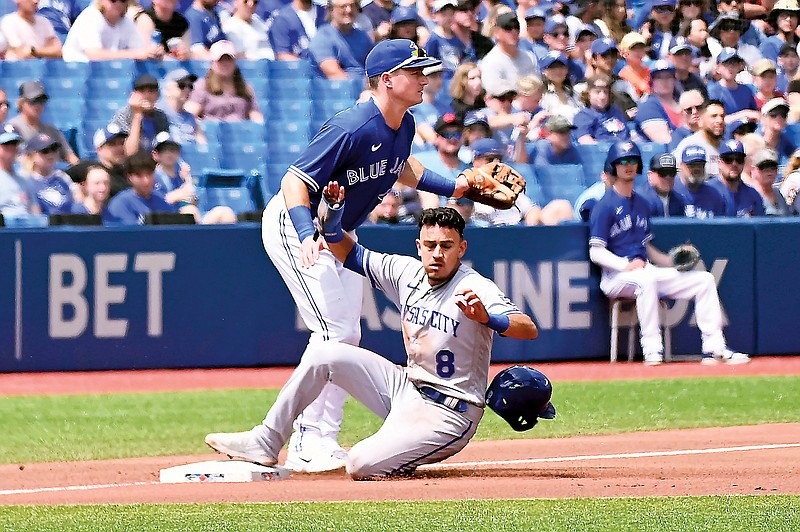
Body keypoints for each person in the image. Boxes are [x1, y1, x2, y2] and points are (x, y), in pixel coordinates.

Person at [207, 197, 540, 479]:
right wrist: (333, 217)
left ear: (461, 248)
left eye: (446, 246)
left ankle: (402, 448)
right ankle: (267, 440)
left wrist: (488, 318)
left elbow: (526, 326)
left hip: (451, 413)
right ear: (419, 246)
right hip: (405, 390)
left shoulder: (475, 286)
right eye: (430, 245)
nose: (437, 253)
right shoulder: (407, 272)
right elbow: (349, 253)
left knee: (360, 464)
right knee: (327, 352)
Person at [589, 140, 750, 366]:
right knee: (646, 280)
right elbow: (596, 251)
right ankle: (652, 349)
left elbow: (646, 248)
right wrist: (624, 265)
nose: (628, 165)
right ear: (613, 166)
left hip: (644, 271)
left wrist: (671, 262)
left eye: (633, 161)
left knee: (704, 279)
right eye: (622, 161)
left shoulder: (642, 203)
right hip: (615, 277)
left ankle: (715, 348)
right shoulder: (604, 206)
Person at [185, 40, 264, 123]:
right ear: (212, 63)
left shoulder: (246, 87)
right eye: (220, 60)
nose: (225, 64)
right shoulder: (203, 86)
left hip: (239, 133)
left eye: (229, 59)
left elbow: (255, 114)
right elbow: (190, 113)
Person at [468, 138, 540, 226]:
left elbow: (532, 210)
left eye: (499, 158)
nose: (497, 163)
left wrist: (530, 228)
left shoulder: (508, 186)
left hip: (516, 233)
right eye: (490, 159)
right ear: (475, 161)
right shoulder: (467, 189)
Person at [62, 0, 163, 62]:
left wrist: (153, 52)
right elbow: (94, 54)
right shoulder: (90, 17)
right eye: (113, 0)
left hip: (107, 72)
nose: (118, 4)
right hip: (78, 72)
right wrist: (136, 54)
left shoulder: (126, 21)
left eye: (123, 0)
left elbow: (140, 49)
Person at [404, 112, 468, 208]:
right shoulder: (418, 161)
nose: (453, 139)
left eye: (457, 134)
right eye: (447, 134)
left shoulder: (469, 169)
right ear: (437, 138)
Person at [8, 81, 78, 165]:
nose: (38, 105)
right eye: (33, 101)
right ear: (22, 103)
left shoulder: (51, 130)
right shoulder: (13, 128)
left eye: (41, 101)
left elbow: (71, 157)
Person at [107, 150, 179, 225]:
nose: (146, 181)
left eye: (149, 174)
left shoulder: (161, 199)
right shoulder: (120, 203)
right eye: (139, 176)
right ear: (129, 177)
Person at [308, 0, 373, 80]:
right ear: (331, 10)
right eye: (343, 6)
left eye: (352, 6)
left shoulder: (362, 36)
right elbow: (336, 76)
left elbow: (374, 67)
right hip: (338, 90)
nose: (349, 10)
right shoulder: (322, 39)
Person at [479, 12, 538, 98]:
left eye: (516, 27)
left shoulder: (529, 57)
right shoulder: (491, 62)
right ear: (496, 33)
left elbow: (537, 88)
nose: (513, 31)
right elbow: (495, 96)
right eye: (508, 28)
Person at [110, 75, 172, 157]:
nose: (147, 95)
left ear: (157, 95)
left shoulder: (160, 117)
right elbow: (130, 153)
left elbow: (165, 150)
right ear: (133, 95)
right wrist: (137, 114)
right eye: (142, 91)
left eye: (151, 91)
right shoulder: (124, 115)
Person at [707, 139, 765, 217]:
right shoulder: (708, 191)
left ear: (744, 162)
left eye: (739, 160)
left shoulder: (752, 194)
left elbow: (760, 225)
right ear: (719, 162)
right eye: (728, 159)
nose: (734, 164)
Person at [22, 133, 76, 215]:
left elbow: (76, 201)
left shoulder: (63, 177)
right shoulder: (26, 180)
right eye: (45, 151)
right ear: (31, 155)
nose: (50, 154)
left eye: (54, 149)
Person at [673, 99, 726, 176]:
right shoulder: (689, 145)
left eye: (722, 116)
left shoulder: (726, 147)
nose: (720, 121)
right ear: (700, 120)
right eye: (713, 116)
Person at [635, 60, 684, 144]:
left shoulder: (684, 102)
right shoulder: (648, 106)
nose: (664, 81)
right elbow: (665, 141)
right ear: (651, 81)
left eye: (668, 76)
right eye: (659, 77)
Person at [673, 144, 728, 218]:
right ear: (681, 166)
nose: (696, 169)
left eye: (700, 165)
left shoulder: (714, 195)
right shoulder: (673, 190)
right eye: (691, 165)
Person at [574, 74, 630, 144]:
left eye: (605, 92)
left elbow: (629, 135)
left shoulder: (616, 112)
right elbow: (585, 141)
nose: (602, 97)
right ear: (588, 94)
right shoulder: (583, 116)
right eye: (597, 92)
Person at [707, 48, 759, 121]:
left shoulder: (746, 90)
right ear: (718, 68)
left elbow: (755, 114)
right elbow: (715, 120)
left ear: (739, 67)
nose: (731, 67)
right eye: (726, 64)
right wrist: (744, 114)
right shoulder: (713, 91)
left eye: (734, 64)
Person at [0, 126, 39, 218]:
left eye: (14, 144)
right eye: (6, 144)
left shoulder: (24, 179)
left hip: (26, 227)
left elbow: (35, 210)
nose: (11, 148)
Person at [160, 69, 206, 145]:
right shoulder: (158, 114)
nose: (187, 90)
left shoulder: (190, 118)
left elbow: (202, 146)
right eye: (182, 85)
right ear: (167, 89)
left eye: (190, 86)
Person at [637, 152, 687, 216]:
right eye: (663, 172)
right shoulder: (640, 199)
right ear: (650, 175)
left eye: (672, 172)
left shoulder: (680, 200)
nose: (668, 177)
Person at [538, 51, 583, 121]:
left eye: (561, 67)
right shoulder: (540, 95)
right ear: (544, 71)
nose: (558, 71)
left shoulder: (574, 93)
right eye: (553, 67)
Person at [748, 148, 791, 216]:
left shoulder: (778, 194)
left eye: (773, 167)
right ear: (753, 170)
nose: (769, 171)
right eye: (763, 167)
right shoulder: (749, 195)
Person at [757, 98, 796, 163]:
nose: (779, 118)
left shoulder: (787, 143)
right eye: (773, 115)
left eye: (783, 115)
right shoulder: (754, 142)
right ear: (763, 119)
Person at [618, 32, 651, 99]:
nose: (638, 52)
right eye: (633, 48)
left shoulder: (650, 72)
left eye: (641, 48)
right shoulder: (623, 76)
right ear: (624, 53)